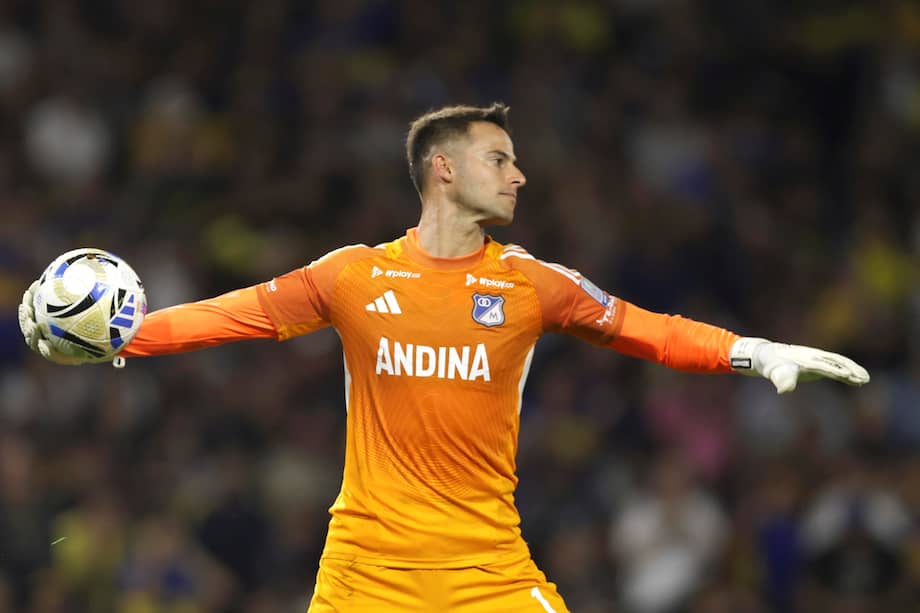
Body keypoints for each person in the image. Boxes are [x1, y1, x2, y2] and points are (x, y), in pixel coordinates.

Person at [18, 103, 870, 612]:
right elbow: (229, 316)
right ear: (442, 170)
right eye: (499, 158)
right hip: (366, 570)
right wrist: (125, 335)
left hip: (485, 570)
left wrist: (751, 352)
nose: (519, 175)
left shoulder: (534, 283)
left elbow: (646, 328)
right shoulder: (352, 275)